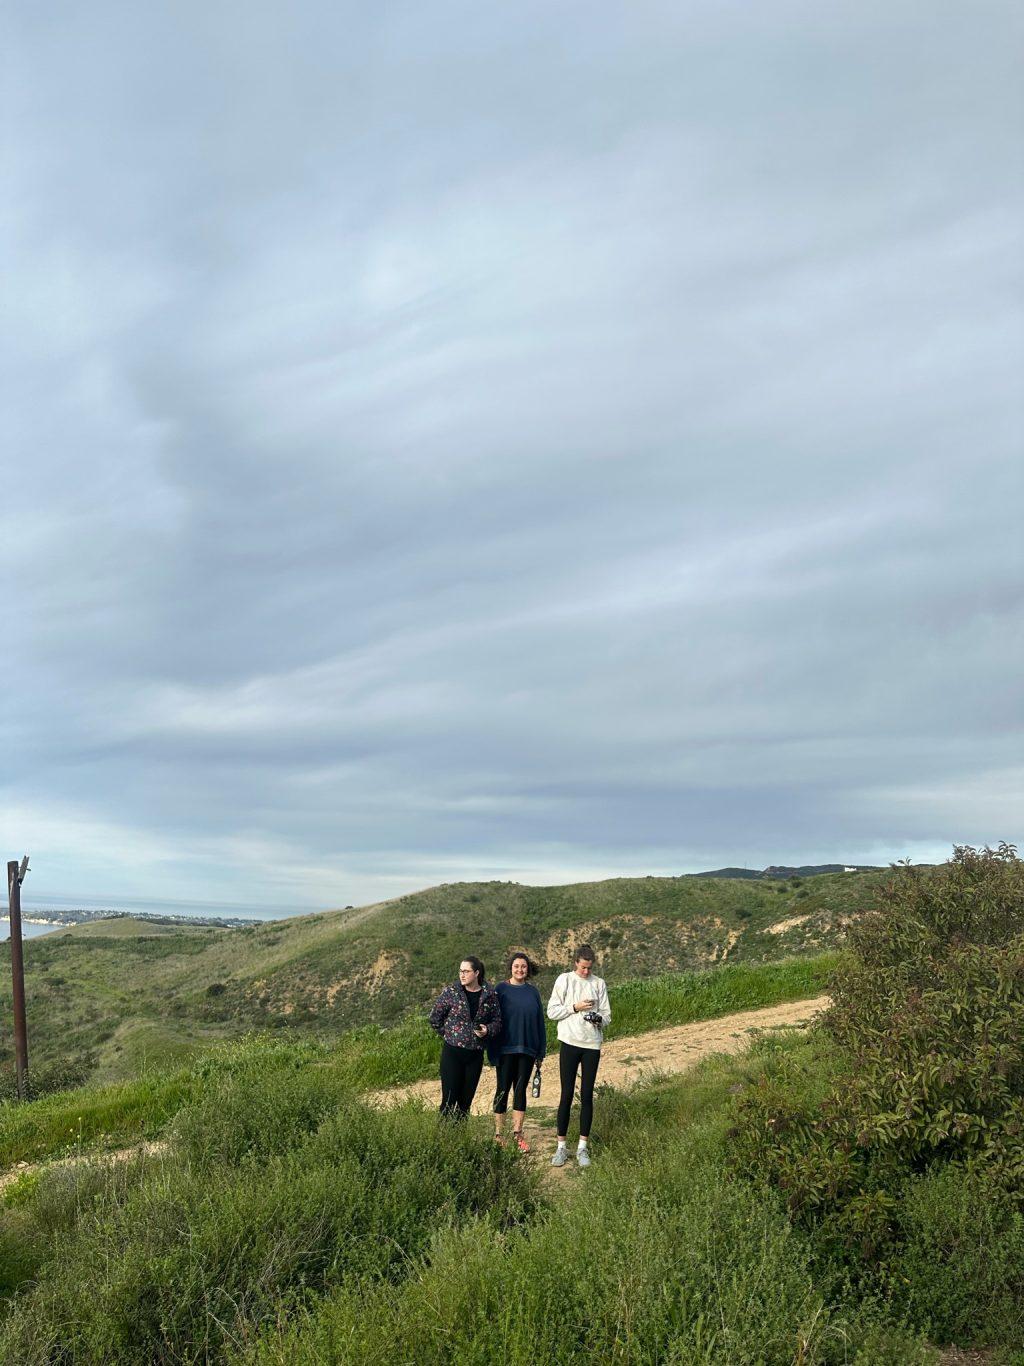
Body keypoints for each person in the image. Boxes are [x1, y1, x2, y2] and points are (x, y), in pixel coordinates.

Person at [546, 943, 611, 1167]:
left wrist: (598, 1019)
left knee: (586, 1095)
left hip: (592, 1043)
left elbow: (607, 1016)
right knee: (566, 1094)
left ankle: (583, 1147)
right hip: (569, 1041)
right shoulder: (564, 980)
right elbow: (552, 1011)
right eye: (583, 967)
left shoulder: (599, 984)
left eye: (589, 968)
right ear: (575, 963)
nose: (586, 972)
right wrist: (575, 1007)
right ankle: (561, 1147)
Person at [428, 956, 502, 1119]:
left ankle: (461, 1140)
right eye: (460, 971)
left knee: (465, 1103)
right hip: (452, 1053)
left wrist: (486, 1030)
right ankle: (442, 1139)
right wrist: (451, 1034)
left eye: (466, 971)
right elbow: (434, 1018)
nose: (462, 975)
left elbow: (498, 1021)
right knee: (448, 1100)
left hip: (475, 1055)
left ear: (476, 973)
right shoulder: (451, 992)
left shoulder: (489, 994)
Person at [488, 951, 546, 1152]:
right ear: (510, 968)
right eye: (516, 966)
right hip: (505, 1049)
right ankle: (498, 1135)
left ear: (527, 969)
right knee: (502, 1090)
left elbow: (540, 1023)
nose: (520, 969)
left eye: (523, 966)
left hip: (528, 1049)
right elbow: (493, 1020)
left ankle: (517, 1134)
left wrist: (541, 1051)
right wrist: (492, 1049)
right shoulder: (500, 989)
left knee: (520, 1091)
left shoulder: (533, 992)